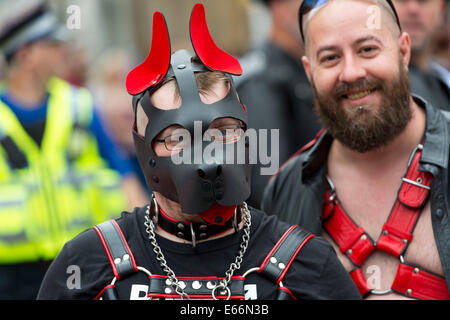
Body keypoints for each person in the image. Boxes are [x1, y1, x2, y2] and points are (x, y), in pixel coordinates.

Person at [37, 3, 360, 300]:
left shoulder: (306, 264)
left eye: (222, 132)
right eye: (177, 138)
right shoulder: (88, 265)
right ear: (146, 149)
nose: (206, 156)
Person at [263, 0, 450, 299]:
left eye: (367, 49)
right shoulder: (286, 190)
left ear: (403, 51)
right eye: (330, 57)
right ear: (310, 72)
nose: (350, 72)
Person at [0, 3, 147, 299]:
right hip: (11, 276)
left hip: (82, 260)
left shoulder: (79, 105)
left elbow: (122, 173)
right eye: (51, 44)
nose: (61, 50)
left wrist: (148, 240)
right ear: (24, 54)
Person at [235, 0, 321, 209]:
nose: (318, 11)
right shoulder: (262, 80)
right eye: (308, 4)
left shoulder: (307, 68)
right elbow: (267, 184)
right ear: (279, 8)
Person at [392, 0, 450, 109]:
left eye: (423, 1)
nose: (413, 9)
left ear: (441, 8)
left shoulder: (442, 77)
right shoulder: (376, 82)